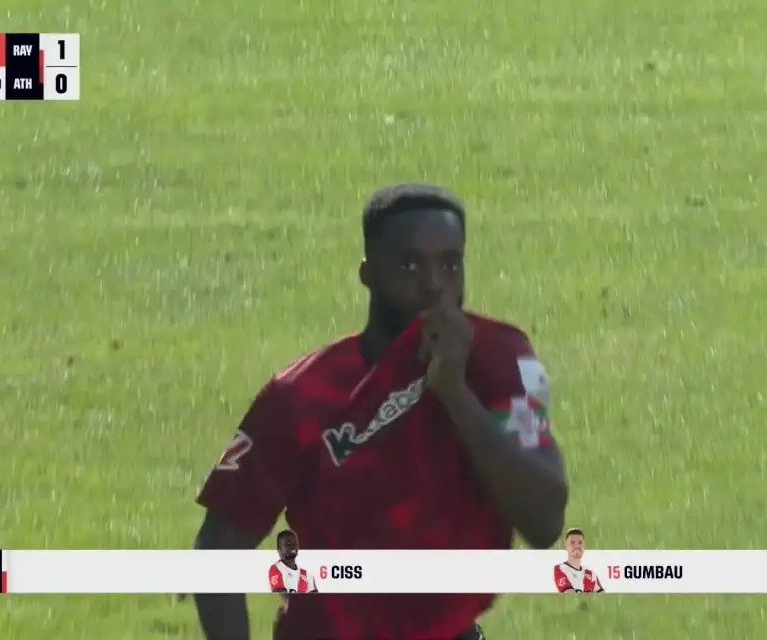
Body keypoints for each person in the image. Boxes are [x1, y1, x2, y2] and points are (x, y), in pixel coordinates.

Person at [192, 183, 569, 639]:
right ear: (368, 273)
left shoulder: (500, 363)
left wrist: (455, 394)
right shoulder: (305, 395)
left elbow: (544, 519)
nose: (434, 285)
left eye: (450, 265)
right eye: (410, 266)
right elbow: (219, 546)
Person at [553, 528, 604, 593]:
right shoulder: (560, 568)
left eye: (580, 542)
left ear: (584, 546)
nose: (577, 546)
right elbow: (569, 595)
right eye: (572, 542)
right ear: (566, 546)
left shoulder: (591, 575)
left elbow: (604, 597)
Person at [268, 530, 317, 595]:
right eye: (288, 543)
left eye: (295, 543)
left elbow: (316, 598)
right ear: (279, 549)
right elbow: (280, 595)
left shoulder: (308, 575)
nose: (293, 546)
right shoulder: (276, 568)